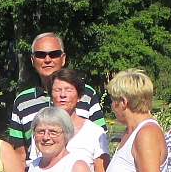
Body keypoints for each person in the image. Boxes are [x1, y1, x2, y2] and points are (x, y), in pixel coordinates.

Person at [8, 32, 106, 164]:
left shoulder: (86, 94)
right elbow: (19, 154)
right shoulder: (22, 102)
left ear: (63, 58)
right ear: (33, 60)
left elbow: (101, 143)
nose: (47, 59)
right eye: (40, 55)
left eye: (53, 54)